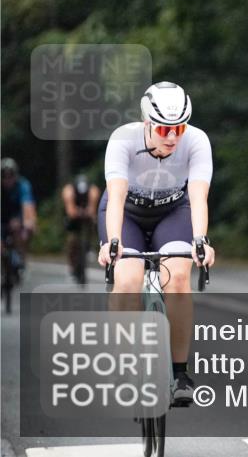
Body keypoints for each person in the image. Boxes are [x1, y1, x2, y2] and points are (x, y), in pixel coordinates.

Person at [96, 82, 216, 406]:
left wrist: (201, 241)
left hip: (174, 211)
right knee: (128, 280)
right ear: (147, 123)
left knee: (178, 279)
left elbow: (198, 197)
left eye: (179, 127)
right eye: (165, 129)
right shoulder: (123, 139)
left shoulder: (197, 141)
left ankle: (179, 373)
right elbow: (117, 196)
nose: (173, 137)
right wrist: (114, 243)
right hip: (127, 213)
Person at [1, 157, 37, 278]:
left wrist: (28, 224)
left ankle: (20, 256)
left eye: (10, 176)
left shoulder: (23, 185)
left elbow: (27, 205)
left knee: (26, 228)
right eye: (4, 177)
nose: (7, 180)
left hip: (17, 215)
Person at [62, 173, 100, 284]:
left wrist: (88, 213)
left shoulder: (93, 191)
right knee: (72, 240)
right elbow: (71, 212)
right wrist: (78, 212)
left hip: (86, 215)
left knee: (93, 222)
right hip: (73, 218)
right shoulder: (68, 191)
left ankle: (90, 246)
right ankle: (71, 266)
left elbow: (92, 210)